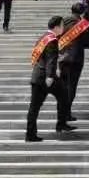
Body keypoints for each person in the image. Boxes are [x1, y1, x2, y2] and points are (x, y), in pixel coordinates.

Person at [26, 15, 68, 143]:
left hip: (37, 76)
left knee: (34, 107)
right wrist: (50, 76)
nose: (63, 28)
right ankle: (61, 124)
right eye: (62, 25)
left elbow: (43, 57)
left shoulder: (43, 37)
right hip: (46, 78)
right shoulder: (52, 40)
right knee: (64, 97)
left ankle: (30, 135)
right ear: (56, 27)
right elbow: (50, 59)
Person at [57, 2, 89, 125]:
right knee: (71, 87)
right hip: (75, 60)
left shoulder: (62, 22)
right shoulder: (81, 24)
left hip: (62, 59)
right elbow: (88, 42)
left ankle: (62, 113)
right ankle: (66, 114)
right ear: (82, 12)